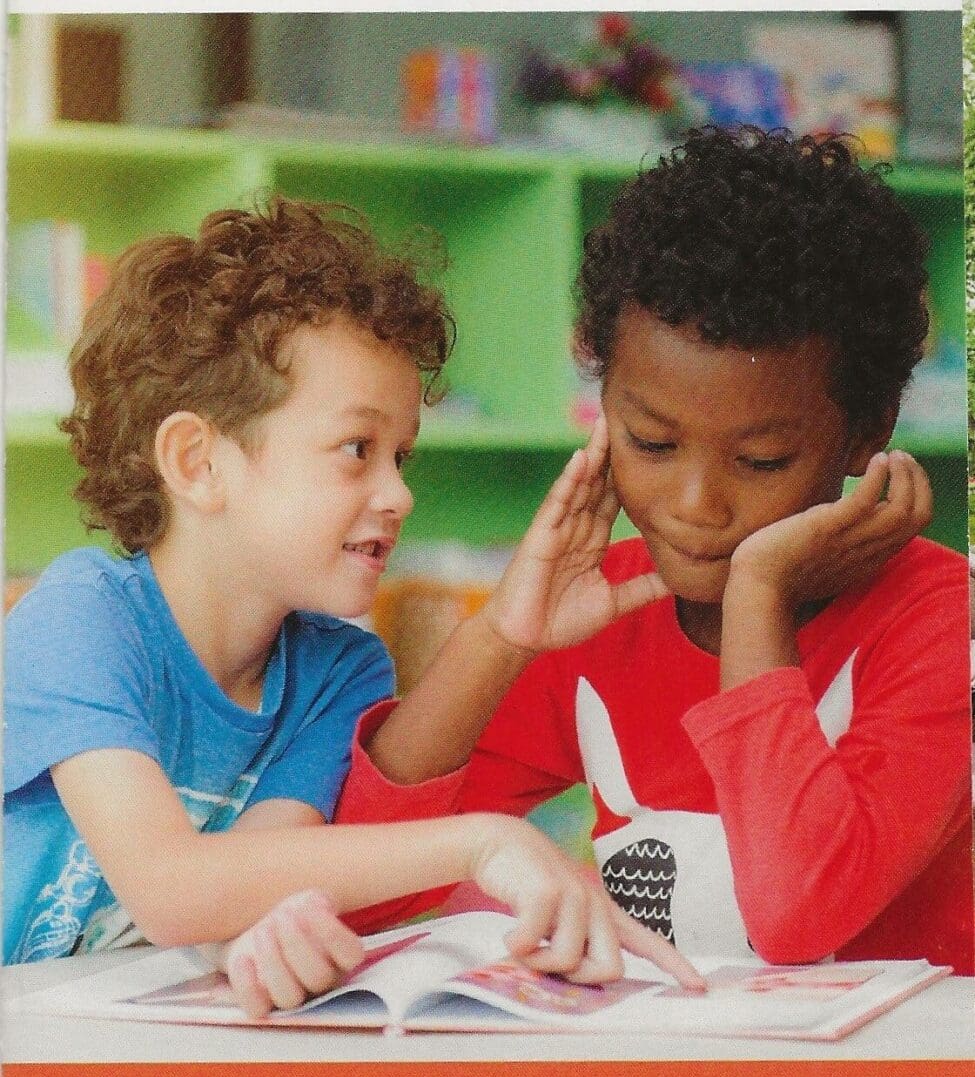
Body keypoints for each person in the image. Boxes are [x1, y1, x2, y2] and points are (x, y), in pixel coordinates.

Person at [3, 197, 702, 1020]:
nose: (399, 493)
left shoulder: (341, 667)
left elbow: (254, 873)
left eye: (401, 455)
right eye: (356, 450)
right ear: (197, 462)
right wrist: (488, 841)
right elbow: (170, 890)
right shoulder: (81, 617)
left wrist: (254, 937)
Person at [336, 126, 974, 975]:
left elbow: (793, 917)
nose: (695, 505)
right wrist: (502, 638)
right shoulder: (606, 609)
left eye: (760, 462)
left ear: (866, 434)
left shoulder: (940, 621)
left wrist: (756, 596)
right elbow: (365, 887)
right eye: (651, 441)